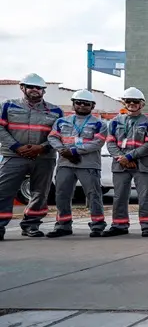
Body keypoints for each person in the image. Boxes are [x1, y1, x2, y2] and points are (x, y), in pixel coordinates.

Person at [0, 74, 62, 240]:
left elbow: (60, 134)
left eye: (39, 88)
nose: (35, 90)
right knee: (4, 191)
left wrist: (42, 147)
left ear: (43, 91)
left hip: (44, 157)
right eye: (30, 87)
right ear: (22, 88)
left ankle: (31, 225)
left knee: (40, 193)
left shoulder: (55, 111)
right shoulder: (8, 105)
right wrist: (16, 147)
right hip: (14, 156)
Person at [46, 90, 108, 238]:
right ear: (73, 104)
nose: (82, 105)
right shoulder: (62, 121)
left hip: (88, 164)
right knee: (62, 194)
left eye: (86, 103)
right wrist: (63, 150)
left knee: (93, 195)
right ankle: (63, 225)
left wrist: (74, 152)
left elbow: (98, 142)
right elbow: (52, 137)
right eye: (78, 102)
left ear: (92, 106)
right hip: (65, 164)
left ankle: (97, 225)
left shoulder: (99, 124)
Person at [103, 87, 148, 237]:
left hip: (141, 164)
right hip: (120, 164)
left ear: (142, 104)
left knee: (145, 195)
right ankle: (119, 225)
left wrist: (130, 157)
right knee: (119, 195)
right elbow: (110, 143)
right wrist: (121, 158)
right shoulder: (115, 121)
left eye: (135, 101)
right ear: (124, 102)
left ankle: (147, 225)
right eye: (128, 101)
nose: (132, 104)